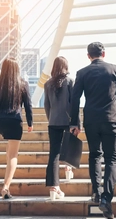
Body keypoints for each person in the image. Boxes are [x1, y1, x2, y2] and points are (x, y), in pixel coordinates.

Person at [70, 42, 116, 219]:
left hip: (91, 120)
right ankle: (106, 198)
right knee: (112, 159)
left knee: (94, 155)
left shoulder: (82, 73)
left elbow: (74, 99)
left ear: (88, 56)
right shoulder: (115, 69)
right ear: (104, 54)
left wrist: (74, 123)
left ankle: (97, 192)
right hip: (111, 119)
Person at [0, 58, 33, 199]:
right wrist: (30, 123)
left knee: (9, 153)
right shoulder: (23, 84)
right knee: (14, 155)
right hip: (14, 121)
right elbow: (28, 105)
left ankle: (6, 177)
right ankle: (6, 187)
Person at [44, 56, 79, 201]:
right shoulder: (70, 82)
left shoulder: (47, 84)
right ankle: (68, 168)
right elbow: (74, 104)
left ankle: (54, 187)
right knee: (69, 146)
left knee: (54, 154)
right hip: (68, 121)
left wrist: (50, 118)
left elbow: (47, 105)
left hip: (53, 122)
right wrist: (77, 123)